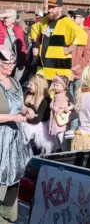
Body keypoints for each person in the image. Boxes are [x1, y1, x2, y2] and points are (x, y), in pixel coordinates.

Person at [0, 47, 34, 222]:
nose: (12, 66)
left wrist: (26, 110)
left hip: (15, 135)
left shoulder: (14, 82)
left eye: (13, 62)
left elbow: (19, 105)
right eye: (7, 63)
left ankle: (6, 207)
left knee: (18, 171)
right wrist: (12, 117)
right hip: (1, 134)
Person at [29, 0, 88, 82]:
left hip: (59, 72)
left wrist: (70, 48)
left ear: (60, 8)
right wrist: (36, 45)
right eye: (48, 7)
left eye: (53, 7)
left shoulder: (66, 22)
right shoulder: (44, 21)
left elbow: (82, 35)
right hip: (42, 70)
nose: (49, 10)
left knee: (56, 95)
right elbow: (34, 30)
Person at [23, 74, 58, 155]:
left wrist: (24, 118)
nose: (28, 86)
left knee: (35, 148)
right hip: (28, 122)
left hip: (39, 128)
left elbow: (38, 119)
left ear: (38, 86)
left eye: (31, 84)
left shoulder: (45, 100)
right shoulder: (28, 94)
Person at [68, 8, 90, 98]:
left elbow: (88, 56)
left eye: (74, 17)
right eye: (71, 16)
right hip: (68, 76)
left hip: (81, 77)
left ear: (82, 19)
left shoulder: (89, 35)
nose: (71, 19)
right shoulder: (70, 33)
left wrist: (74, 69)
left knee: (79, 104)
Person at [48, 75, 75, 151]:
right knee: (57, 137)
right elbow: (51, 104)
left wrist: (68, 108)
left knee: (63, 137)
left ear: (64, 85)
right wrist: (54, 107)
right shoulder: (55, 95)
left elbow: (73, 104)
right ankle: (59, 149)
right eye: (55, 85)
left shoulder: (67, 94)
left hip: (63, 119)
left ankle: (65, 151)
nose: (56, 87)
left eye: (58, 85)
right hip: (55, 119)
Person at [0, 9, 27, 81]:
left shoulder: (18, 29)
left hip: (14, 62)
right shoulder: (1, 26)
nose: (5, 20)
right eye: (4, 18)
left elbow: (22, 46)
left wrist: (22, 61)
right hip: (3, 61)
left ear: (13, 19)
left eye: (7, 18)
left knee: (14, 81)